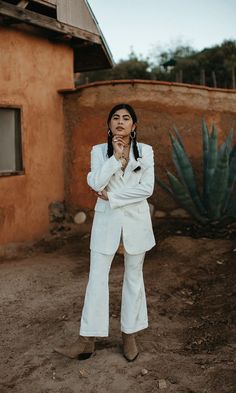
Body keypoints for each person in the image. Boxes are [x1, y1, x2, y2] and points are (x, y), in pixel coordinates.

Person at [54, 103, 156, 362]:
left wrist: (112, 196)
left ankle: (129, 335)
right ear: (109, 125)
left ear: (134, 126)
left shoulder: (145, 152)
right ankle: (87, 340)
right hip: (106, 224)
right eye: (115, 118)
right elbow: (95, 182)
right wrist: (115, 159)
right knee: (97, 277)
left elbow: (147, 189)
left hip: (136, 223)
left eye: (126, 118)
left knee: (133, 277)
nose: (120, 122)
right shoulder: (99, 152)